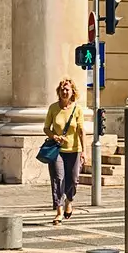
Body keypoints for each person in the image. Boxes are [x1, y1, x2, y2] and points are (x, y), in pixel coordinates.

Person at [43, 78, 86, 223]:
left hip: (74, 150)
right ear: (58, 91)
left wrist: (84, 151)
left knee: (73, 180)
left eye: (67, 89)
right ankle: (59, 210)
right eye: (62, 89)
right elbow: (46, 128)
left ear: (72, 91)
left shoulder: (77, 109)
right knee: (58, 179)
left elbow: (81, 131)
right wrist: (54, 136)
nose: (64, 91)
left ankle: (69, 201)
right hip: (57, 151)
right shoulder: (53, 108)